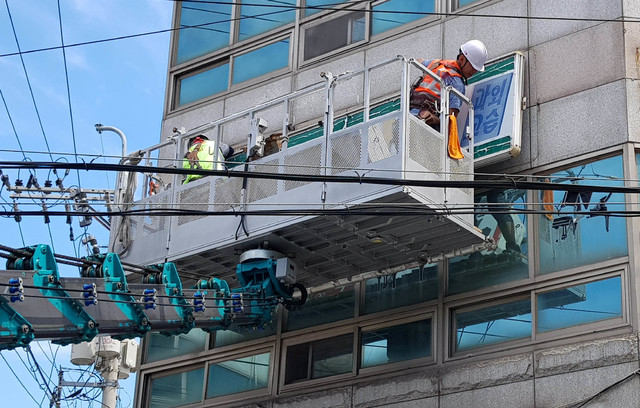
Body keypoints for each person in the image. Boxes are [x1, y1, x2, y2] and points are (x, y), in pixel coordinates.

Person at [410, 39, 488, 129]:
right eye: (473, 67)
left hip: (410, 113)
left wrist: (426, 74)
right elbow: (451, 119)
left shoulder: (437, 63)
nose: (474, 71)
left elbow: (419, 61)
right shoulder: (457, 83)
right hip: (426, 122)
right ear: (462, 59)